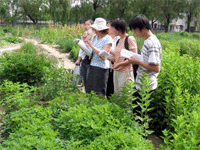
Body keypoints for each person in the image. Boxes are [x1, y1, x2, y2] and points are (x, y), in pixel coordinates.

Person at [128, 14, 162, 116]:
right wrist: (138, 58)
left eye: (135, 30)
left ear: (142, 28)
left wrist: (137, 61)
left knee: (142, 117)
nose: (134, 33)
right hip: (142, 84)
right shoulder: (147, 41)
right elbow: (148, 61)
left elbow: (156, 68)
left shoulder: (152, 43)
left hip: (147, 87)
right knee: (137, 115)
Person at [84, 18, 113, 97]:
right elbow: (91, 52)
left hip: (101, 68)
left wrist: (91, 46)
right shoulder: (94, 37)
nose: (94, 30)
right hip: (93, 65)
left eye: (97, 29)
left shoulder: (108, 39)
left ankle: (98, 107)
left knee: (99, 91)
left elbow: (103, 55)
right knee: (90, 90)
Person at [109, 18, 137, 96]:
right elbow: (118, 57)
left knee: (125, 96)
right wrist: (107, 57)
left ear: (118, 29)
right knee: (117, 95)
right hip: (117, 71)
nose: (112, 30)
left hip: (125, 72)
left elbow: (134, 58)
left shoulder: (129, 39)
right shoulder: (119, 40)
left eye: (113, 28)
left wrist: (120, 64)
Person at [75, 20, 94, 90]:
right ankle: (87, 95)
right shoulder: (84, 35)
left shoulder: (93, 36)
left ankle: (90, 96)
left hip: (90, 61)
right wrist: (78, 59)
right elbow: (81, 50)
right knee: (84, 79)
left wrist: (86, 40)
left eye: (88, 25)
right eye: (85, 25)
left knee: (89, 79)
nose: (86, 26)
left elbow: (90, 50)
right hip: (84, 60)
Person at [106, 20, 120, 98]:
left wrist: (109, 50)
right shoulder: (106, 38)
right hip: (106, 65)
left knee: (113, 87)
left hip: (114, 66)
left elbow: (119, 55)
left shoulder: (118, 39)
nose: (107, 28)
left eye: (109, 26)